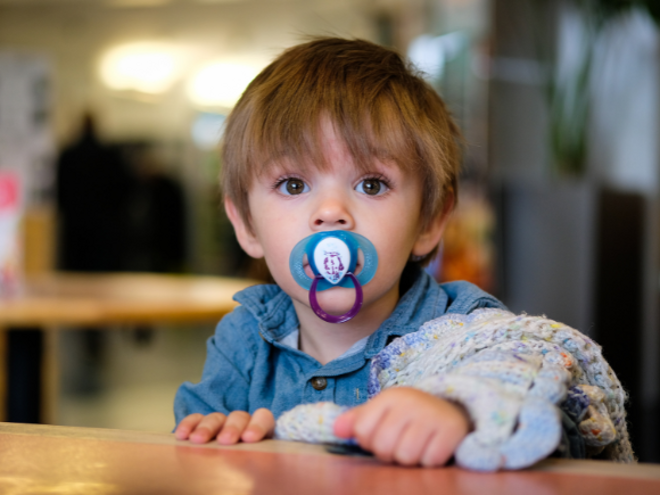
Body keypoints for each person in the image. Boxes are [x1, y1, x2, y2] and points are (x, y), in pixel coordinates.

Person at [172, 38, 628, 468]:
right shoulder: (244, 339)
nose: (331, 213)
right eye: (293, 185)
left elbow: (530, 370)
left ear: (429, 221)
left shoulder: (462, 330)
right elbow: (187, 454)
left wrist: (462, 407)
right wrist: (218, 435)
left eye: (372, 184)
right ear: (246, 225)